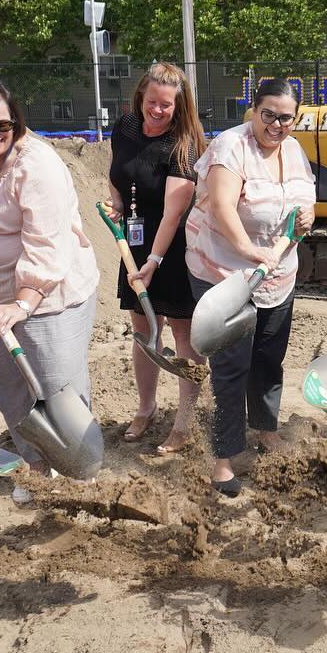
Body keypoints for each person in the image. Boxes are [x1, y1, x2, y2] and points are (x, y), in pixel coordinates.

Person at [0, 77, 101, 501]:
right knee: (8, 386)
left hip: (49, 294)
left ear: (17, 123)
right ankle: (38, 467)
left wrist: (24, 303)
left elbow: (47, 245)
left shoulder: (37, 166)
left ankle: (82, 475)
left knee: (56, 386)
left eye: (4, 126)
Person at [177, 78, 316, 497]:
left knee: (268, 358)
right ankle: (223, 456)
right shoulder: (229, 147)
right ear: (253, 111)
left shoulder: (293, 150)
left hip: (278, 274)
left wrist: (305, 219)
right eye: (268, 114)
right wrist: (247, 250)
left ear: (296, 119)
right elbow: (221, 206)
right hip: (224, 272)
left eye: (285, 117)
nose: (276, 124)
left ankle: (265, 427)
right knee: (231, 365)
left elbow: (303, 200)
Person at [105, 63, 207, 453]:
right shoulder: (126, 128)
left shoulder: (184, 145)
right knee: (144, 329)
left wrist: (154, 261)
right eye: (152, 102)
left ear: (179, 107)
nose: (158, 111)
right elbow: (117, 172)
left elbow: (172, 214)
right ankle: (146, 408)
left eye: (166, 105)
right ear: (141, 97)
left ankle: (184, 421)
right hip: (134, 240)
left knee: (182, 332)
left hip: (175, 249)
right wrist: (116, 203)